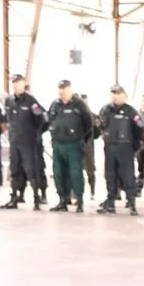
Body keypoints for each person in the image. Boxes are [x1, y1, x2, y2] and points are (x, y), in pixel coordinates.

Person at [47, 79, 94, 212]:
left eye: (64, 89)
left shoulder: (80, 105)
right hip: (58, 144)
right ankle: (63, 200)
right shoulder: (55, 104)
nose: (62, 92)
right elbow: (49, 120)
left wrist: (82, 139)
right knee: (58, 173)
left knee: (75, 173)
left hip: (74, 144)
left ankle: (79, 200)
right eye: (60, 89)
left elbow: (89, 124)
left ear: (70, 89)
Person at [2, 74, 48, 210]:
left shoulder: (31, 101)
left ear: (23, 84)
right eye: (13, 83)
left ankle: (36, 198)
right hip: (14, 142)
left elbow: (42, 119)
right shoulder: (9, 100)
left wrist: (35, 134)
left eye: (18, 82)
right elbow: (6, 119)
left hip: (28, 143)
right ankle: (14, 197)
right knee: (15, 170)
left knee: (31, 170)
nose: (15, 85)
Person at [97, 84, 144, 215]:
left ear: (124, 96)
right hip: (110, 147)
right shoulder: (105, 110)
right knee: (110, 175)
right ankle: (110, 202)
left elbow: (140, 128)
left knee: (128, 176)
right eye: (113, 93)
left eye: (118, 94)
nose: (115, 96)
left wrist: (134, 145)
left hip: (125, 148)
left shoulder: (130, 111)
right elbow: (100, 126)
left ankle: (131, 202)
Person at [80, 93, 101, 202]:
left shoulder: (93, 116)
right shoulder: (76, 115)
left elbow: (97, 133)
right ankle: (76, 193)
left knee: (90, 170)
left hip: (88, 147)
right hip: (78, 146)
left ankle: (92, 191)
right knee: (77, 170)